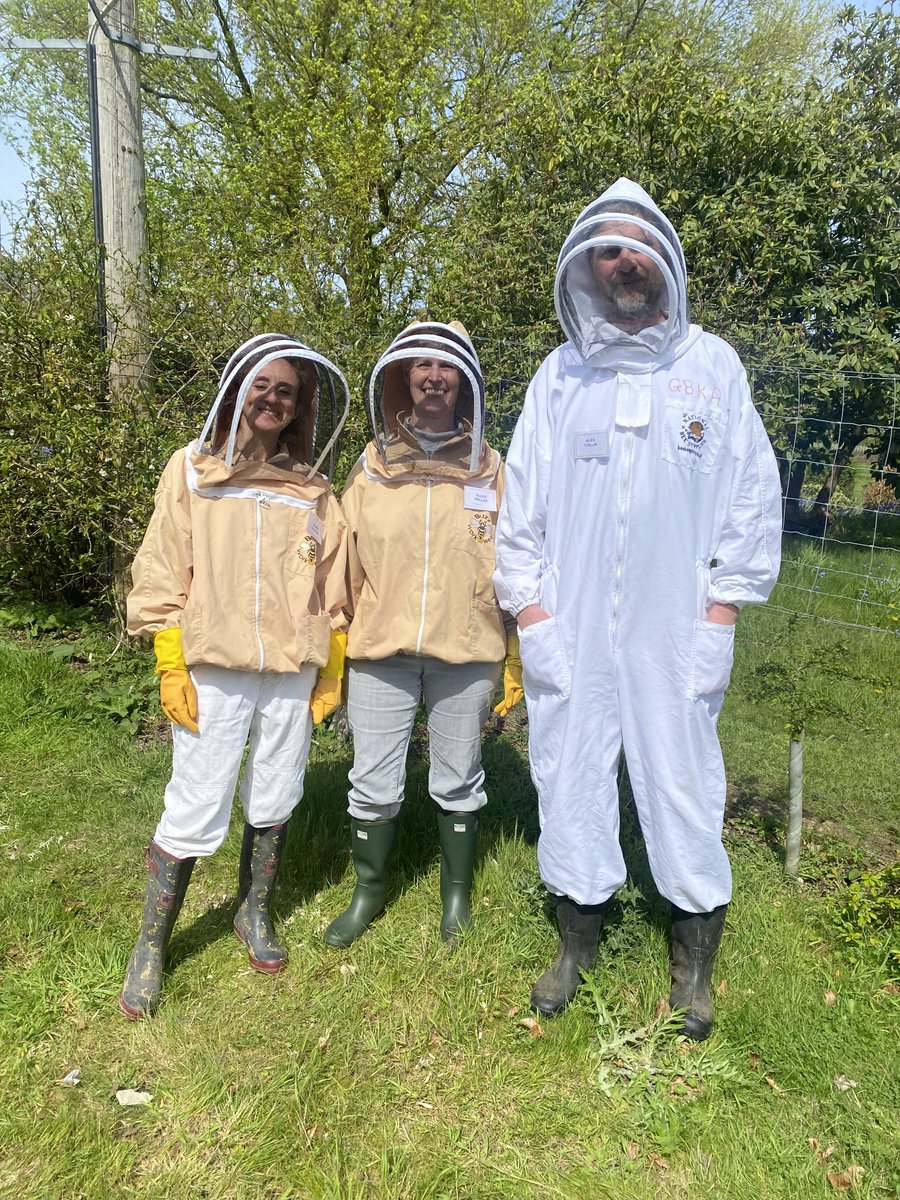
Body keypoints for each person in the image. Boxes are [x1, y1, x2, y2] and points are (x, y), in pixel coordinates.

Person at [493, 179, 783, 1039]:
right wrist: (532, 615)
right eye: (607, 250)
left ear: (665, 261)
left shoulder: (712, 368)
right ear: (587, 266)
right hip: (572, 625)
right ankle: (577, 943)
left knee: (684, 782)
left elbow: (751, 499)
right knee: (570, 774)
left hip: (676, 623)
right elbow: (521, 509)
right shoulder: (560, 375)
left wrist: (723, 608)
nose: (623, 263)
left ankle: (694, 965)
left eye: (637, 248)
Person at [120, 333, 350, 1018]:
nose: (273, 398)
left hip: (288, 670)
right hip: (212, 668)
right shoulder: (190, 470)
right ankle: (152, 944)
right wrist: (169, 659)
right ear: (235, 389)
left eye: (287, 390)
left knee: (275, 795)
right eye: (262, 384)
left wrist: (331, 667)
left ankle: (254, 913)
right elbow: (162, 566)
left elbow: (334, 586)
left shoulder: (311, 490)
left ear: (301, 405)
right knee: (195, 802)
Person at [323, 320, 516, 947]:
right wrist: (338, 638)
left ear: (466, 383)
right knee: (373, 777)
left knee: (458, 775)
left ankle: (455, 897)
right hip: (383, 649)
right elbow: (344, 556)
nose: (434, 377)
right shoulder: (373, 467)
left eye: (447, 367)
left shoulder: (492, 470)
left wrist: (511, 645)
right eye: (421, 366)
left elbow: (518, 558)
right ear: (401, 381)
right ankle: (367, 893)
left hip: (466, 647)